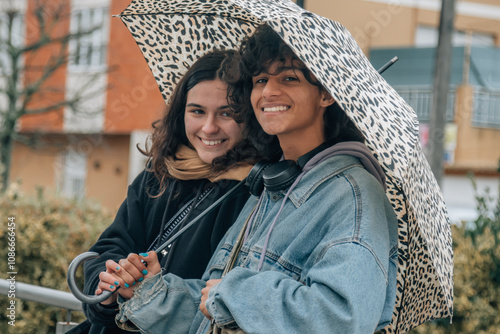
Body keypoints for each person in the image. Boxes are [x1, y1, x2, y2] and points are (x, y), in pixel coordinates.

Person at [114, 24, 398, 334]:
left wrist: (235, 294)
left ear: (327, 94)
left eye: (289, 78)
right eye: (260, 80)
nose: (268, 92)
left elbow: (343, 318)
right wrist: (152, 292)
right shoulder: (271, 186)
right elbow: (212, 307)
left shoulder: (352, 195)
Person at [70, 49, 280, 334]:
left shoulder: (256, 192)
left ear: (251, 119)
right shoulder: (160, 174)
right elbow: (110, 246)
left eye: (227, 113)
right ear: (181, 112)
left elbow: (226, 296)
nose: (208, 127)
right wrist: (110, 281)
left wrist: (153, 292)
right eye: (197, 111)